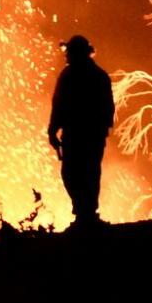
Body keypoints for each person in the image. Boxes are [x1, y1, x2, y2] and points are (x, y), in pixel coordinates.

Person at [48, 35, 115, 227]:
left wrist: (53, 131)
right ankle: (85, 213)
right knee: (84, 173)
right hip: (87, 135)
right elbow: (59, 105)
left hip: (80, 134)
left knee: (77, 173)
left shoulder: (72, 76)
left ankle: (86, 214)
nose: (66, 56)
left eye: (69, 52)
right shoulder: (98, 76)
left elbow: (58, 105)